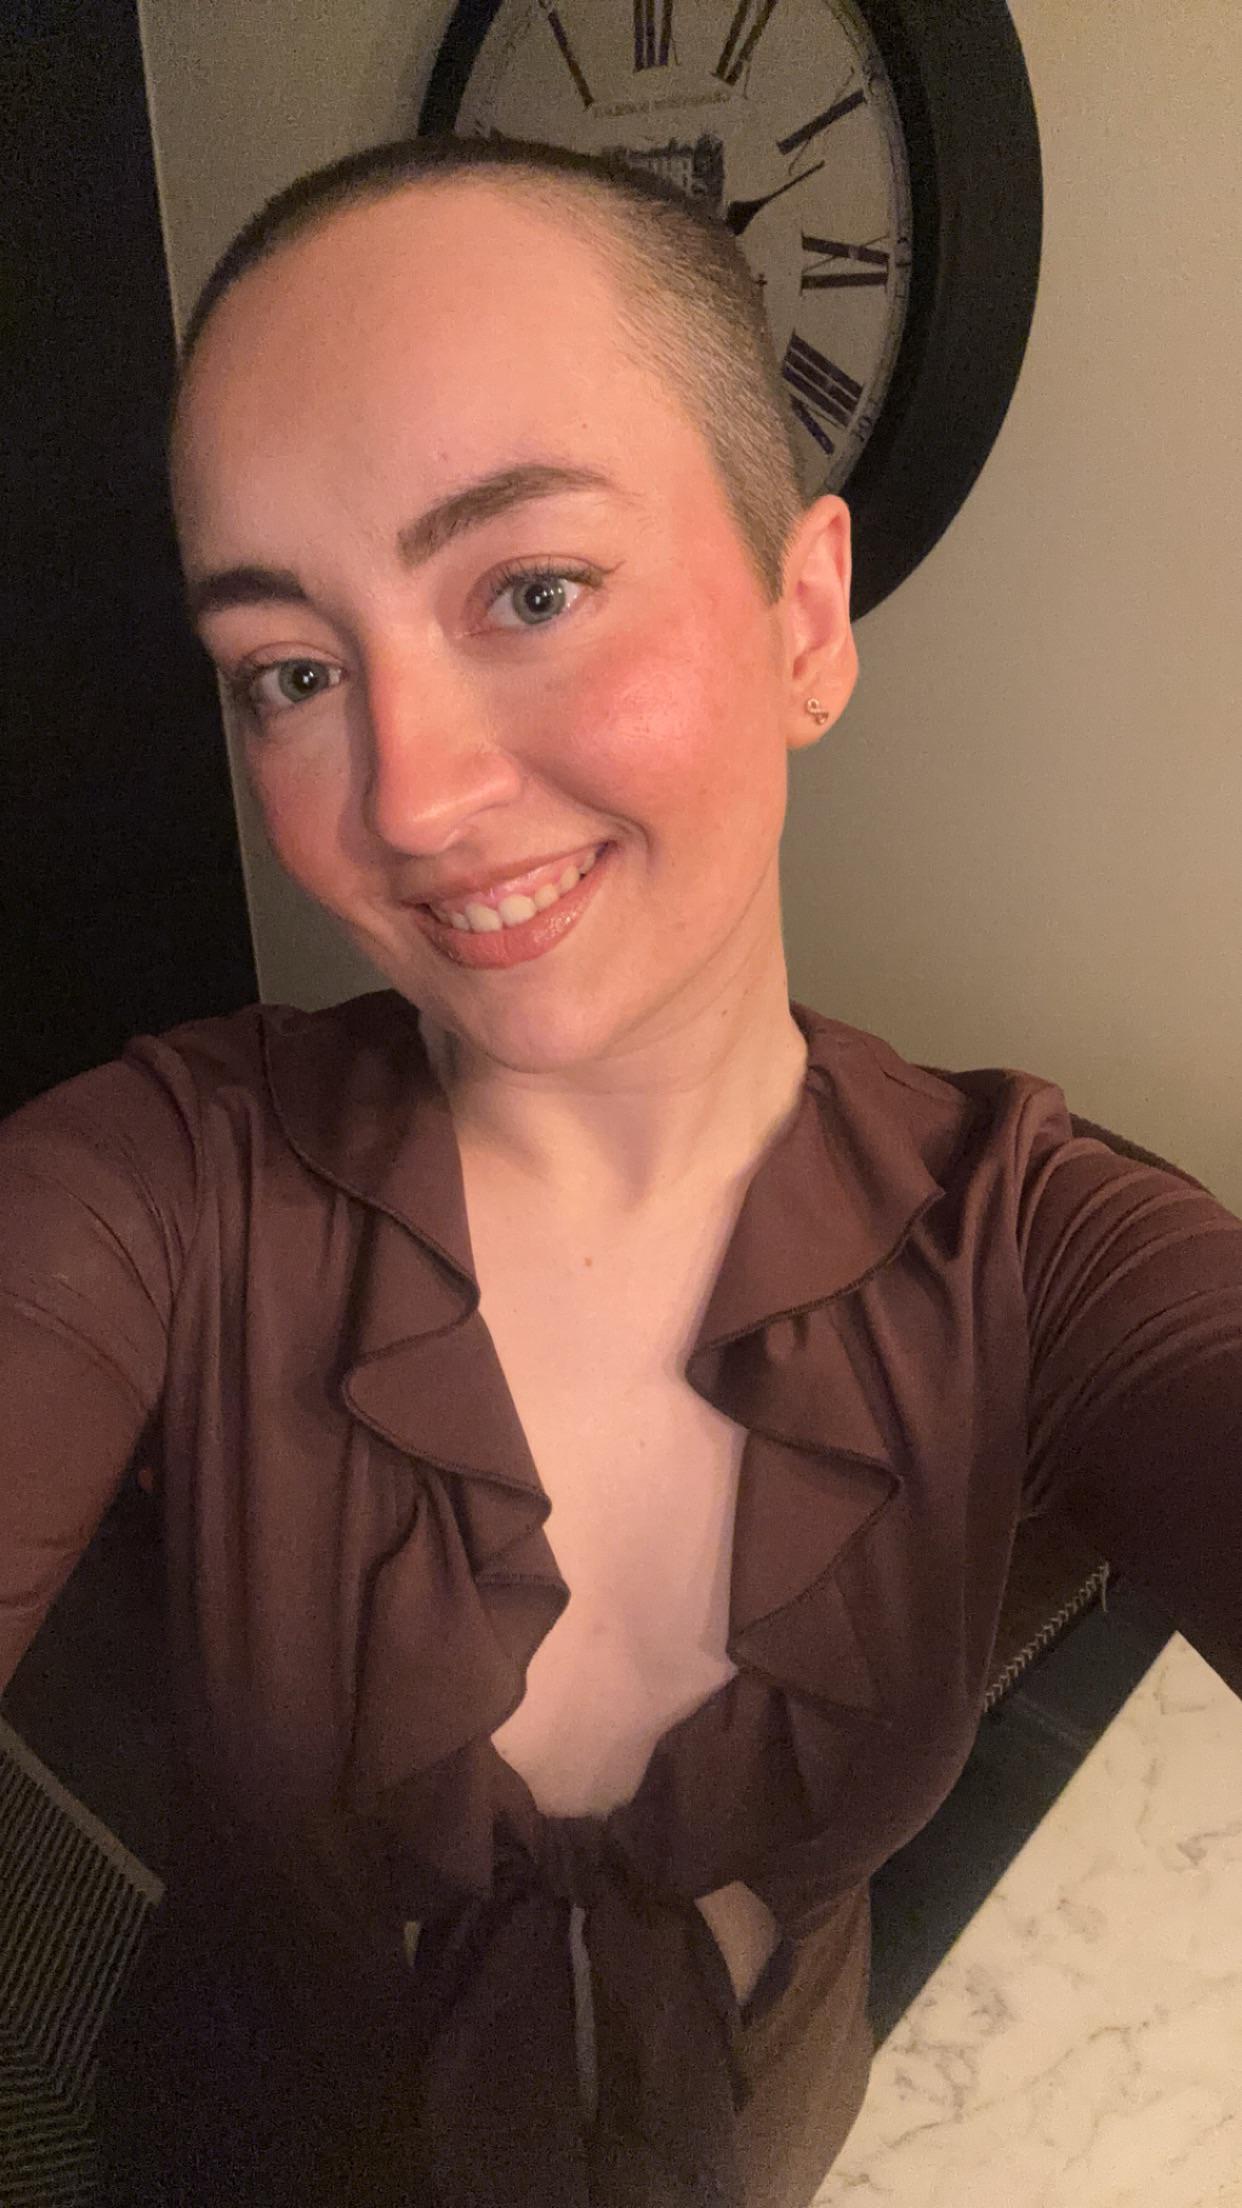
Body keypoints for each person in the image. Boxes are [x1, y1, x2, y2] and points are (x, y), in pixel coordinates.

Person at [1, 134, 1239, 2208]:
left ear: (803, 616)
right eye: (291, 671)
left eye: (532, 590)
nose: (409, 798)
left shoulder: (1031, 1237)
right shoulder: (159, 1184)